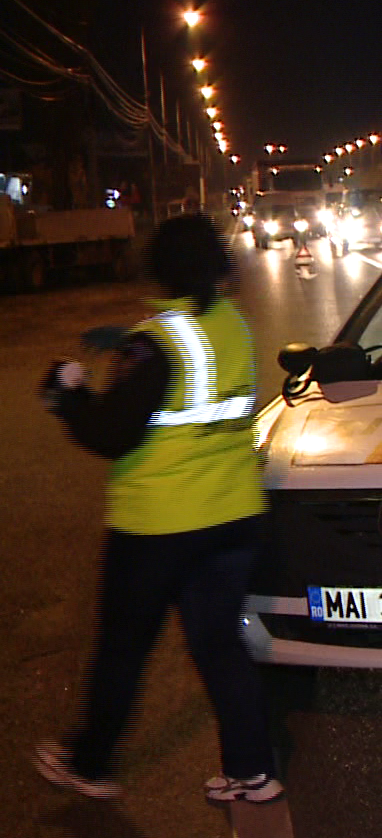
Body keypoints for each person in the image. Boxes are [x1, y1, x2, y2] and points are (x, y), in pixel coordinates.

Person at [33, 213, 283, 803]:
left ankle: (91, 763)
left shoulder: (155, 342)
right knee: (221, 647)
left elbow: (108, 433)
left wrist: (66, 392)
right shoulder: (234, 326)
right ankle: (253, 771)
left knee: (122, 647)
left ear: (160, 268)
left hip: (158, 526)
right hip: (231, 516)